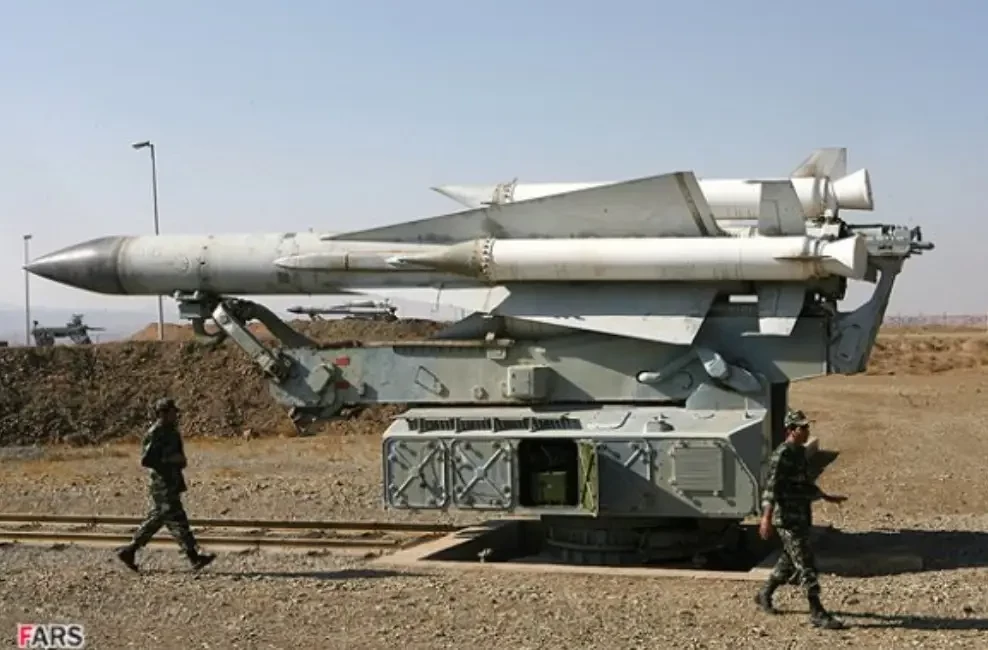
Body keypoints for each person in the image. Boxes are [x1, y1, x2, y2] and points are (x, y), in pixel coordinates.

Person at [755, 408, 846, 630]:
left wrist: (826, 497)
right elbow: (771, 488)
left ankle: (764, 593)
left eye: (807, 427)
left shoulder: (799, 453)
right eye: (802, 428)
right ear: (791, 430)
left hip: (801, 515)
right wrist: (766, 518)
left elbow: (803, 484)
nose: (806, 431)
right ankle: (817, 612)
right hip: (787, 518)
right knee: (806, 564)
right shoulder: (782, 455)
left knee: (788, 560)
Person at [116, 397, 215, 573]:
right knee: (178, 520)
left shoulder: (171, 431)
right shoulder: (156, 432)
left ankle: (129, 551)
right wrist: (169, 460)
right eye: (171, 412)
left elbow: (179, 456)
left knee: (159, 519)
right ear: (162, 413)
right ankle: (194, 556)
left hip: (172, 481)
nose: (175, 415)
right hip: (162, 484)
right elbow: (146, 460)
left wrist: (180, 461)